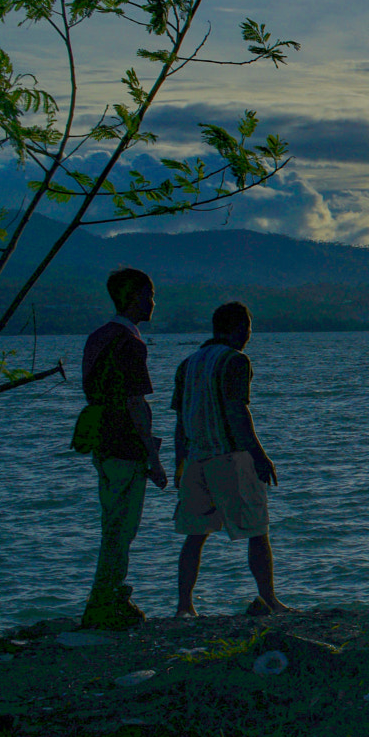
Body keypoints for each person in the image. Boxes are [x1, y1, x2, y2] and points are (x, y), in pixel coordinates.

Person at [172, 302, 289, 616]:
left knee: (195, 536)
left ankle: (184, 606)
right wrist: (260, 456)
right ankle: (269, 600)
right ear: (238, 328)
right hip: (230, 459)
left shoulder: (187, 364)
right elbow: (238, 412)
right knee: (257, 530)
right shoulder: (236, 361)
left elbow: (180, 421)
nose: (249, 336)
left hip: (196, 460)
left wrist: (178, 463)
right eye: (248, 329)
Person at [81, 267, 167, 630]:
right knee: (122, 527)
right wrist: (154, 457)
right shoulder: (130, 343)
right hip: (124, 446)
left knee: (111, 522)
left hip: (101, 443)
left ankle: (109, 596)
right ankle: (106, 600)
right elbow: (137, 404)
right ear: (133, 297)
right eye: (148, 295)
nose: (152, 302)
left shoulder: (98, 337)